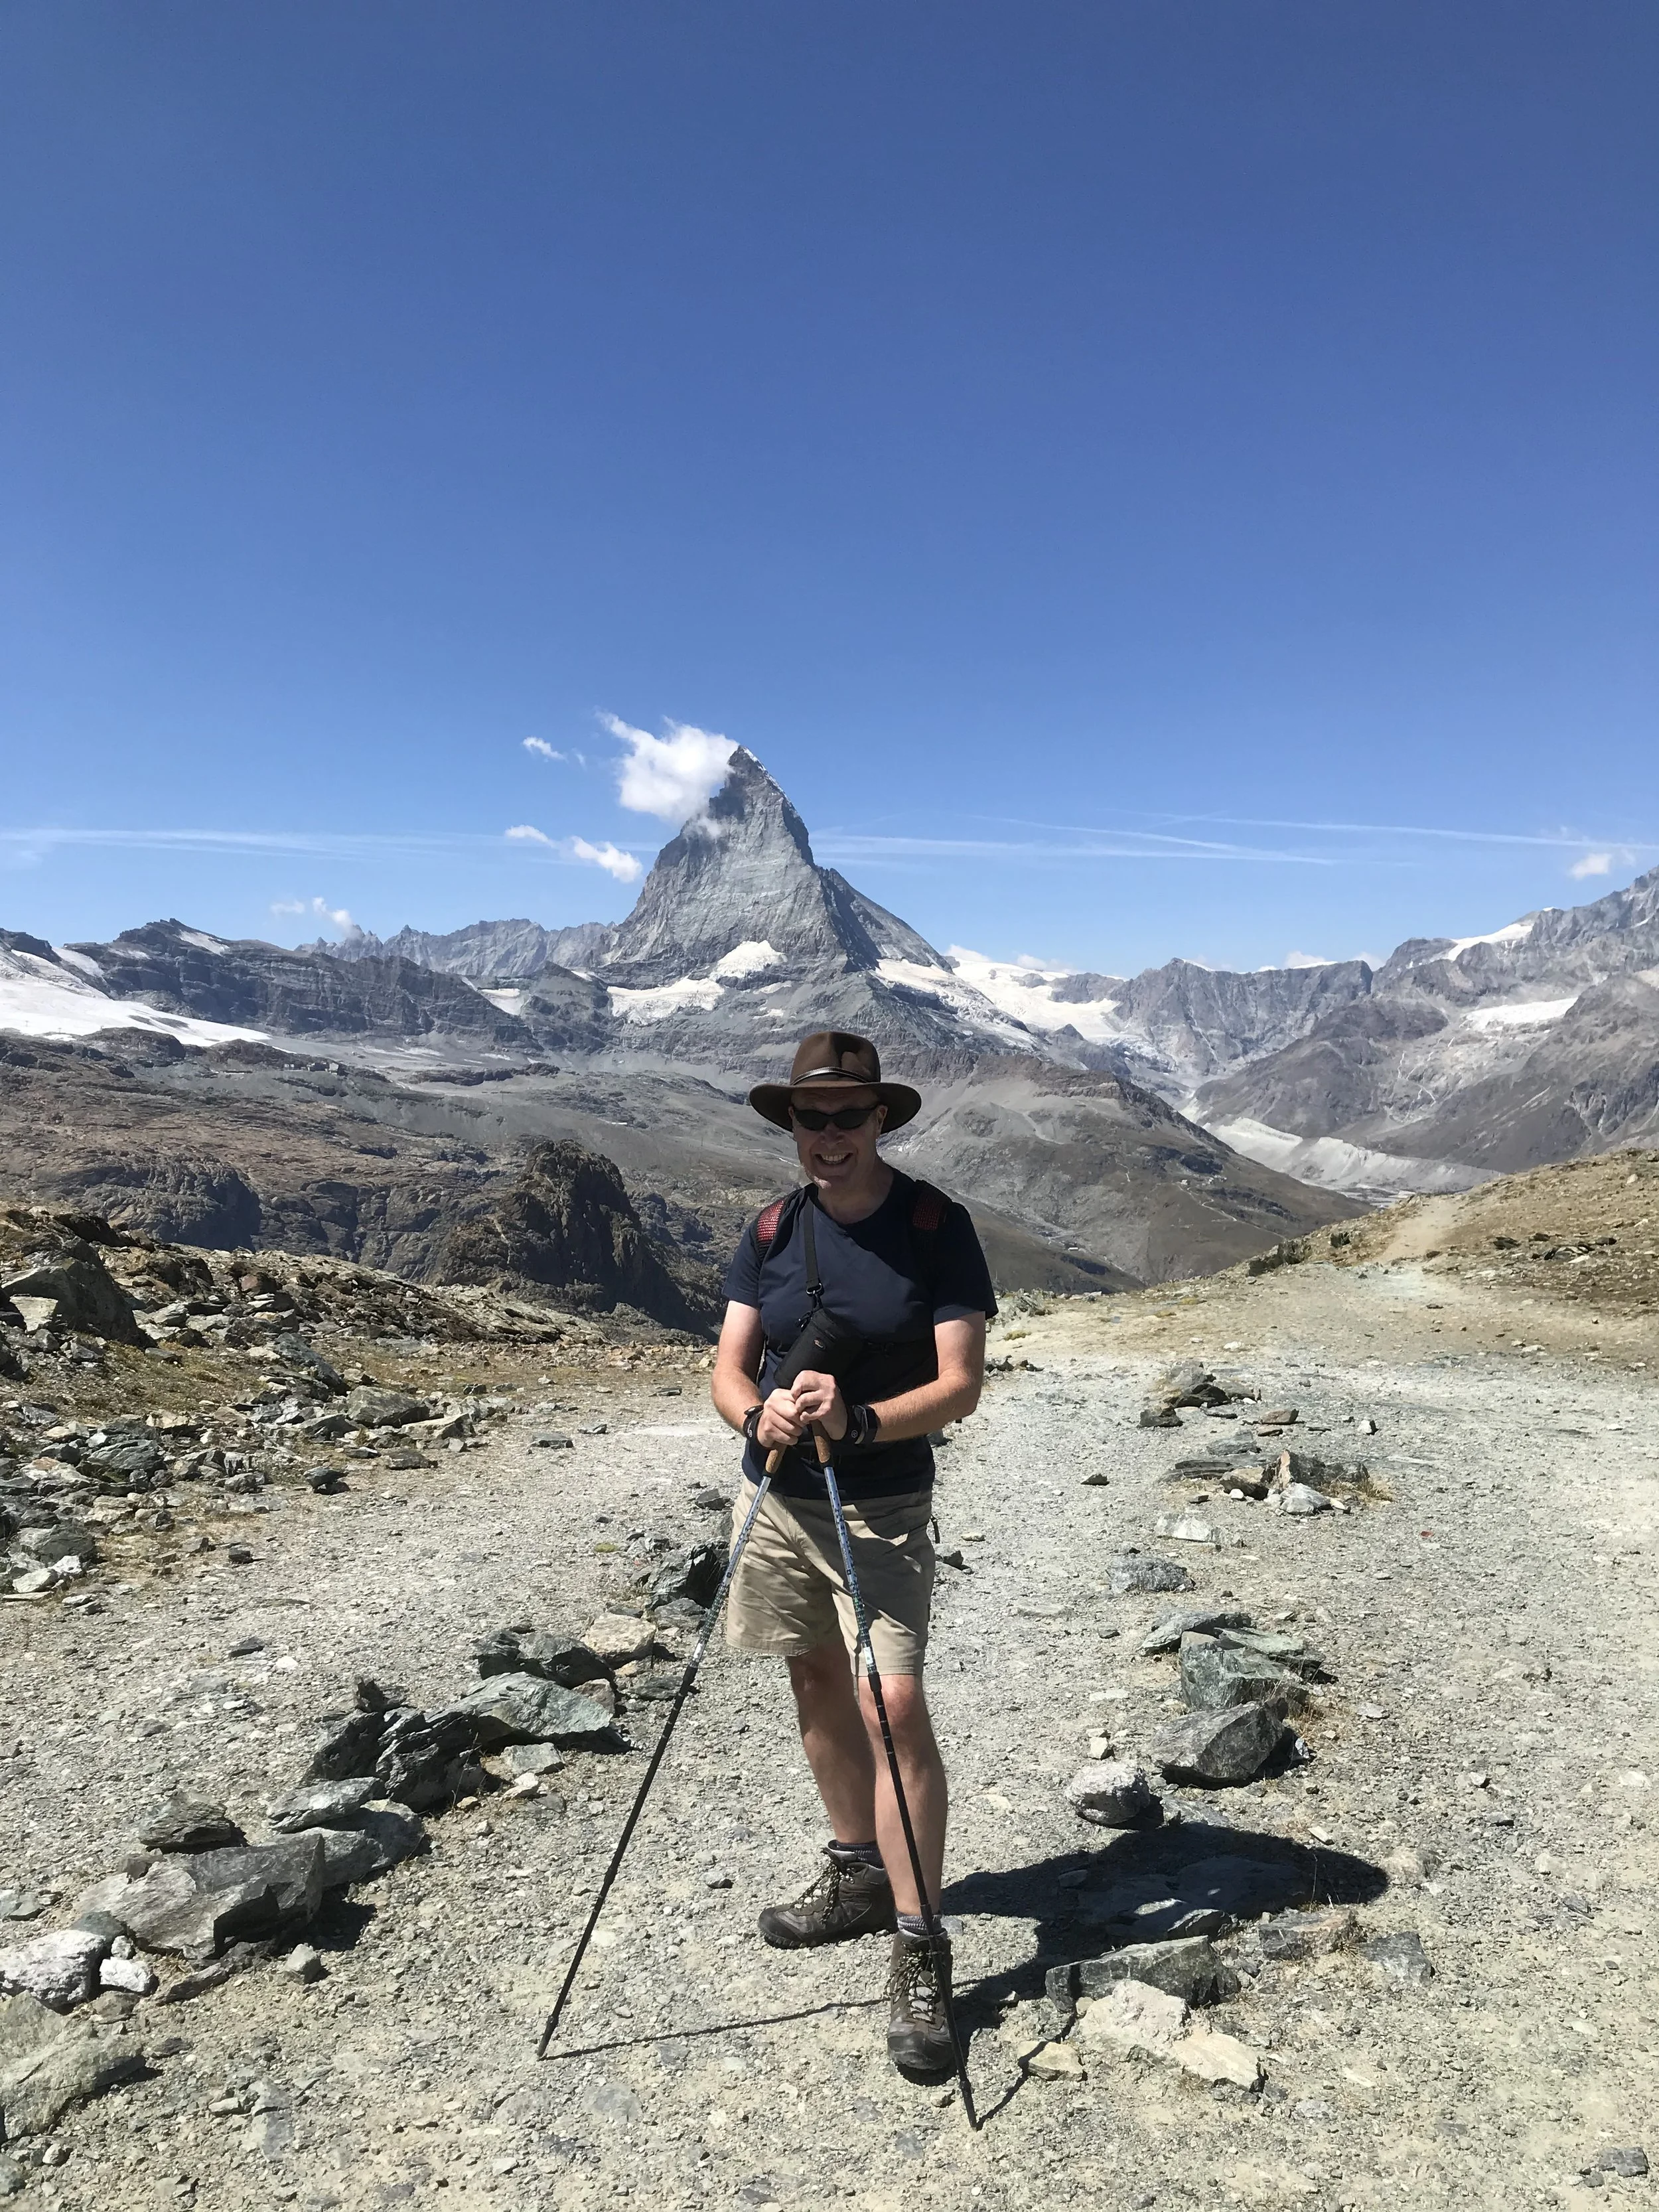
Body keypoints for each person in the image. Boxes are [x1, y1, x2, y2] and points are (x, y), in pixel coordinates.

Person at [709, 1029, 996, 2077]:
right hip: (779, 1499)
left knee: (896, 1705)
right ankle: (857, 1872)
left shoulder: (935, 1227)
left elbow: (961, 1383)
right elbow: (730, 1370)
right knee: (815, 1678)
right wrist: (760, 1421)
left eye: (845, 1117)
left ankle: (922, 1946)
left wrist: (863, 1421)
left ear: (881, 1119)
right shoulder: (773, 1228)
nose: (825, 1136)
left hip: (877, 1507)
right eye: (807, 1118)